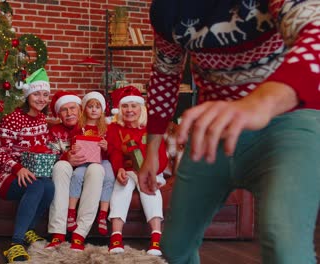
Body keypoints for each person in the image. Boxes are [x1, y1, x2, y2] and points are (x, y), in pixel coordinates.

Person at [139, 1, 320, 263]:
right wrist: (151, 150)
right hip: (215, 131)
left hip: (290, 121)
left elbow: (315, 32)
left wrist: (261, 102)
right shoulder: (165, 10)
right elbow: (165, 74)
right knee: (175, 247)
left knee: (284, 243)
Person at [0, 68, 55, 263]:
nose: (41, 99)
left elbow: (41, 146)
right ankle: (15, 244)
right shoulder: (12, 118)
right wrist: (18, 168)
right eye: (36, 94)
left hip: (29, 172)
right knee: (37, 185)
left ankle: (28, 231)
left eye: (45, 94)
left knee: (49, 186)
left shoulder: (41, 118)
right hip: (3, 175)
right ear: (27, 95)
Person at [107, 86, 168, 256]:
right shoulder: (114, 129)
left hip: (151, 171)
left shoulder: (152, 129)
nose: (129, 110)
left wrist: (152, 173)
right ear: (120, 110)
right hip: (128, 170)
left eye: (133, 106)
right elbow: (114, 152)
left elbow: (161, 157)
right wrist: (119, 169)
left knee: (149, 189)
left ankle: (156, 238)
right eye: (125, 106)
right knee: (122, 187)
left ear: (141, 108)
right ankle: (116, 236)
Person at [47, 91, 106, 251]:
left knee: (97, 169)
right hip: (65, 173)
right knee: (61, 166)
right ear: (59, 114)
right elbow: (48, 157)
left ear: (81, 109)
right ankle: (58, 233)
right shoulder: (55, 132)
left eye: (72, 108)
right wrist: (66, 157)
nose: (69, 113)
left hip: (88, 171)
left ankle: (79, 234)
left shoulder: (95, 128)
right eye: (64, 110)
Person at [67, 91, 115, 236]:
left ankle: (102, 214)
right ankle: (71, 212)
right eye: (90, 106)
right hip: (84, 160)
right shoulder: (78, 127)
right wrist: (74, 148)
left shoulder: (107, 129)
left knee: (110, 178)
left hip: (102, 160)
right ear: (84, 109)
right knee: (76, 175)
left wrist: (107, 147)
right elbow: (73, 145)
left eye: (97, 107)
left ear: (102, 110)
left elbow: (112, 150)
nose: (94, 109)